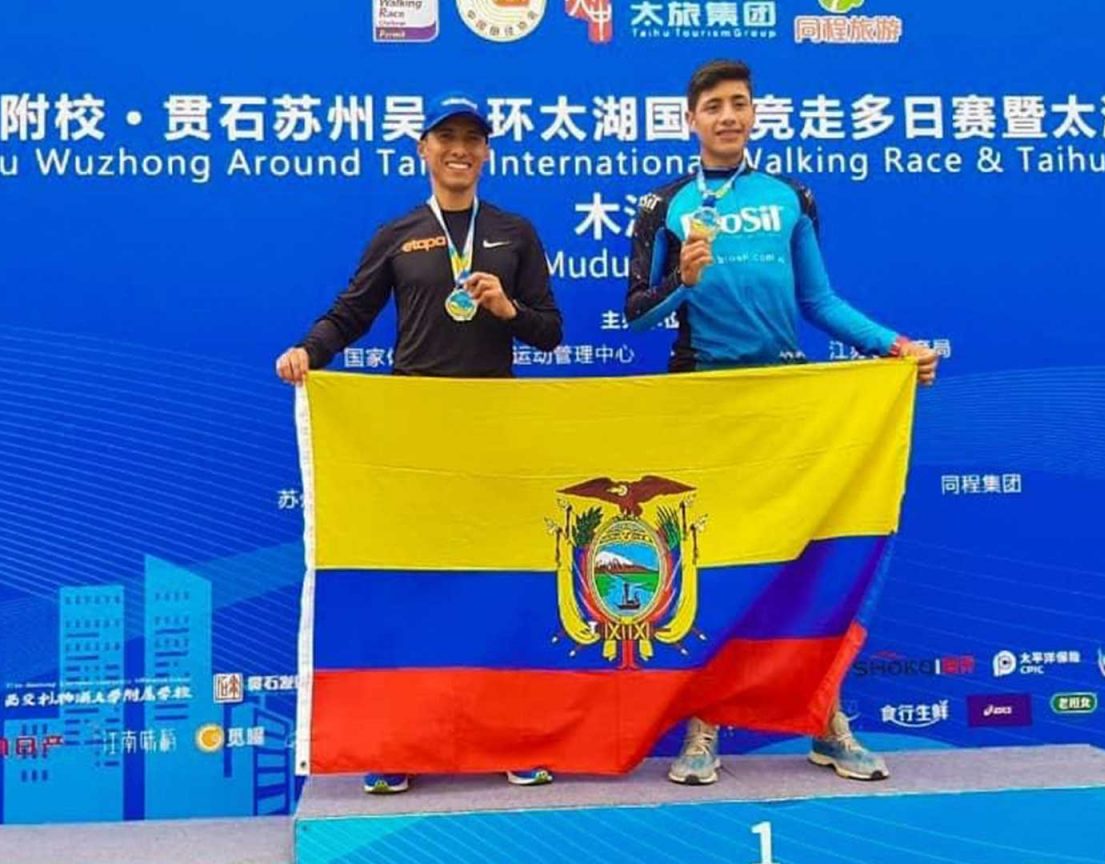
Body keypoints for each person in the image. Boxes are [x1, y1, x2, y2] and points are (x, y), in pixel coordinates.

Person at [624, 59, 939, 786]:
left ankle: (827, 723)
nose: (728, 116)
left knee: (808, 568)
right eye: (713, 106)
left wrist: (894, 347)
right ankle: (704, 729)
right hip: (706, 402)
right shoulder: (665, 205)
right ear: (691, 120)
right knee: (718, 567)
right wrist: (683, 282)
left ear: (754, 114)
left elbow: (819, 302)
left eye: (739, 103)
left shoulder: (791, 197)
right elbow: (637, 313)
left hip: (790, 402)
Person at [275, 93, 563, 794]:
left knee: (494, 588)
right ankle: (401, 743)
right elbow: (351, 313)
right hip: (414, 435)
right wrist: (308, 350)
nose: (460, 149)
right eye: (446, 138)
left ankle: (508, 738)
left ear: (486, 152)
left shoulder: (515, 232)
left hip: (491, 430)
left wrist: (507, 309)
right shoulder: (399, 234)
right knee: (414, 590)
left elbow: (550, 332)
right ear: (424, 150)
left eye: (472, 138)